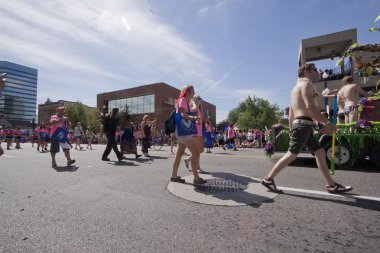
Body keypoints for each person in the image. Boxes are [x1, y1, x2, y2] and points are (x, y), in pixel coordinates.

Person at [261, 63, 353, 194]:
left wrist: (294, 128)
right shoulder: (307, 84)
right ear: (306, 72)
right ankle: (268, 179)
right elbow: (309, 106)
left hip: (302, 124)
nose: (317, 72)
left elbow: (292, 113)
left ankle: (331, 185)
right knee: (292, 154)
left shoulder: (294, 89)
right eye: (315, 70)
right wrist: (328, 123)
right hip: (303, 124)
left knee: (320, 152)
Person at [170, 84, 206, 185]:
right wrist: (194, 118)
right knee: (196, 152)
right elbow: (182, 115)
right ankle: (196, 178)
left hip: (182, 130)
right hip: (183, 130)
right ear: (187, 92)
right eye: (193, 91)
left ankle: (174, 176)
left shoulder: (185, 101)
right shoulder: (183, 100)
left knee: (179, 154)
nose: (194, 93)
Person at [184, 95, 206, 173]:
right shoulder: (192, 106)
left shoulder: (199, 109)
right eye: (199, 99)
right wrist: (194, 102)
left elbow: (202, 118)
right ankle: (194, 164)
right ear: (195, 99)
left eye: (201, 99)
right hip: (194, 131)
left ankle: (192, 162)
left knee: (200, 150)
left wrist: (201, 107)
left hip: (199, 131)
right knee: (199, 150)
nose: (200, 100)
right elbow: (189, 115)